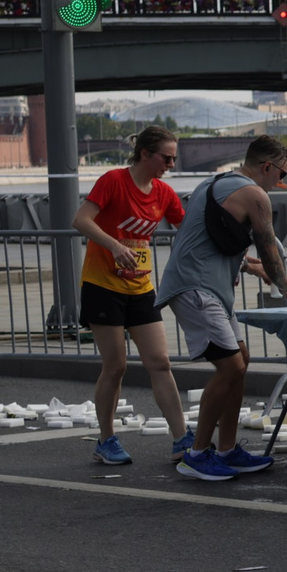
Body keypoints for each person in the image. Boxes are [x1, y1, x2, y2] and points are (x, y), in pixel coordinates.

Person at [158, 135, 287, 481]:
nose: (281, 182)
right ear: (266, 167)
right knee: (230, 367)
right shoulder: (255, 195)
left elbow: (208, 238)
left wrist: (249, 267)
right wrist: (284, 283)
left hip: (205, 287)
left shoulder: (215, 182)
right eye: (282, 174)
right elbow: (269, 248)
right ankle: (196, 455)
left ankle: (226, 449)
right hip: (196, 288)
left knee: (241, 361)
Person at [75, 126, 190, 463]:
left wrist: (238, 259)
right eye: (166, 158)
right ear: (144, 154)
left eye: (174, 158)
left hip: (141, 287)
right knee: (115, 366)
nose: (171, 164)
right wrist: (114, 245)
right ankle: (106, 440)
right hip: (102, 286)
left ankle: (182, 439)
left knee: (160, 362)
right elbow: (81, 220)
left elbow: (188, 232)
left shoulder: (164, 193)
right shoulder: (113, 180)